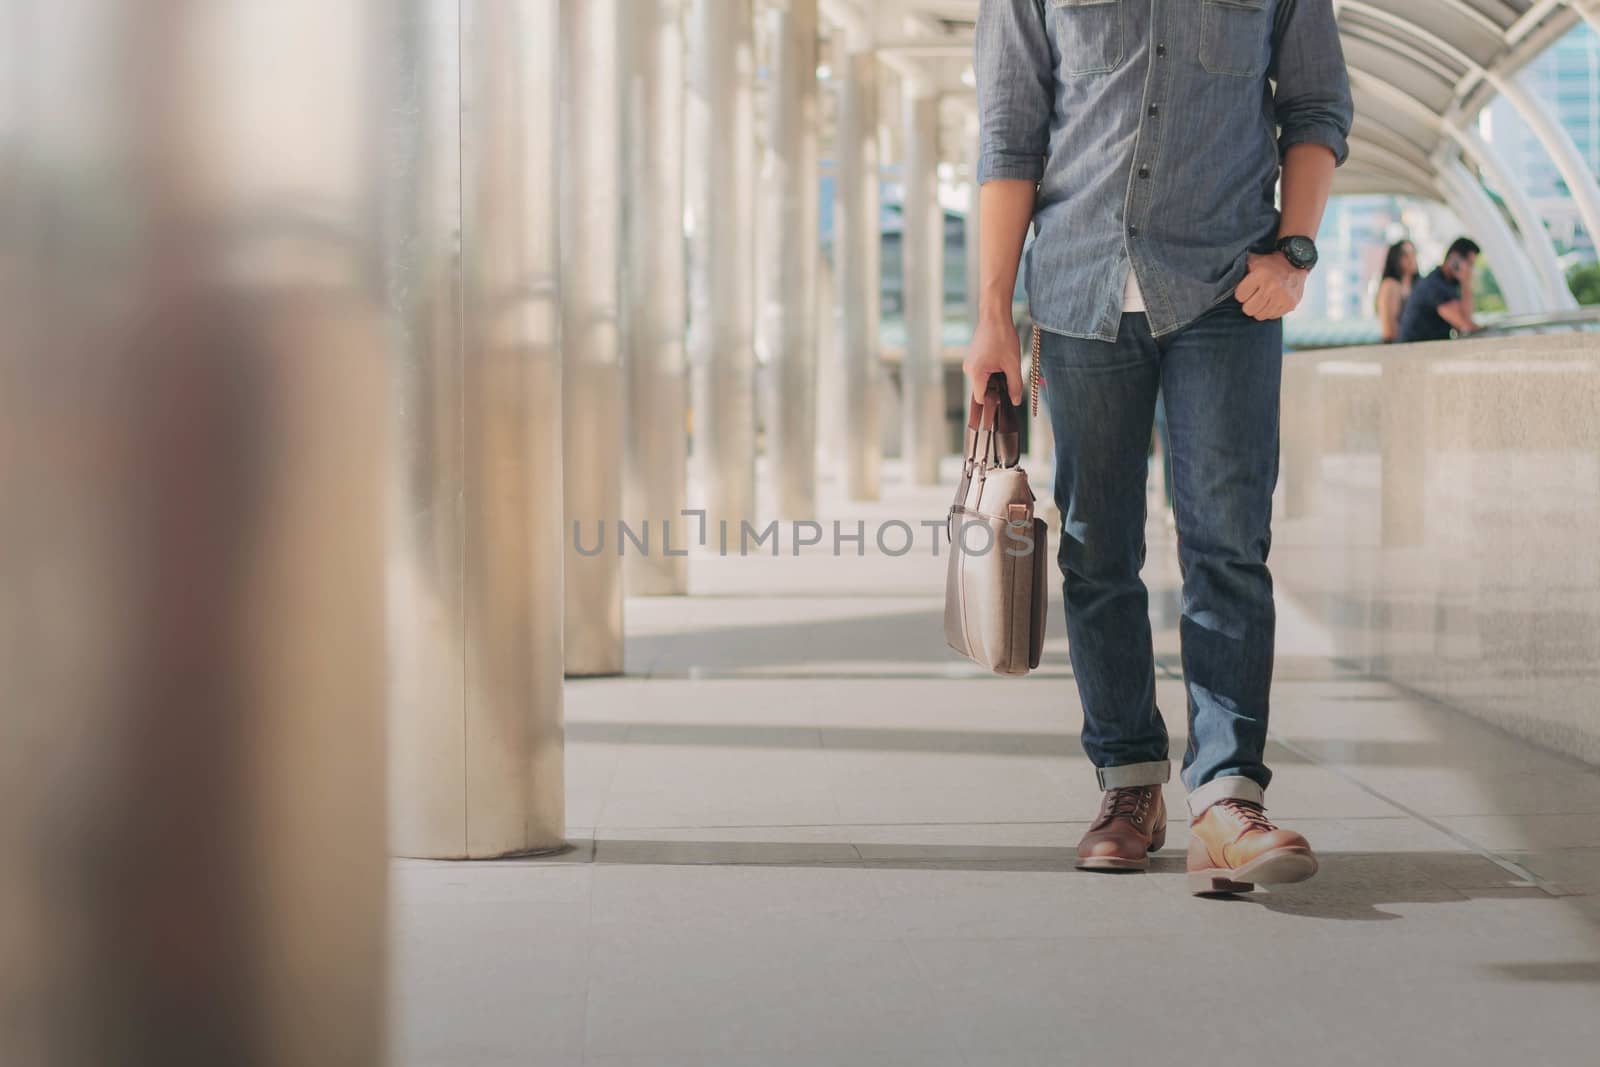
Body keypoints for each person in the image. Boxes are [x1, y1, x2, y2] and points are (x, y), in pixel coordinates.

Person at [968, 1, 1352, 895]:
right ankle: (1129, 783)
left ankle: (1226, 796)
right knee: (1098, 550)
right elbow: (1010, 135)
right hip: (1079, 289)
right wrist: (990, 314)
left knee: (1227, 543)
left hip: (1229, 292)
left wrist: (1295, 249)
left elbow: (1317, 107)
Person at [1398, 237, 1482, 342]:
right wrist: (1466, 283)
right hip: (1414, 352)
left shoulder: (1451, 284)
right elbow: (1464, 324)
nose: (1470, 269)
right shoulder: (1434, 285)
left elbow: (1467, 318)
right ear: (1454, 258)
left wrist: (1465, 284)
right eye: (1469, 264)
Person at [1376, 239, 1417, 343]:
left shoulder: (1417, 285)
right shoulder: (1390, 285)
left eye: (1413, 254)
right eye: (1405, 255)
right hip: (1396, 348)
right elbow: (1389, 330)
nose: (1411, 259)